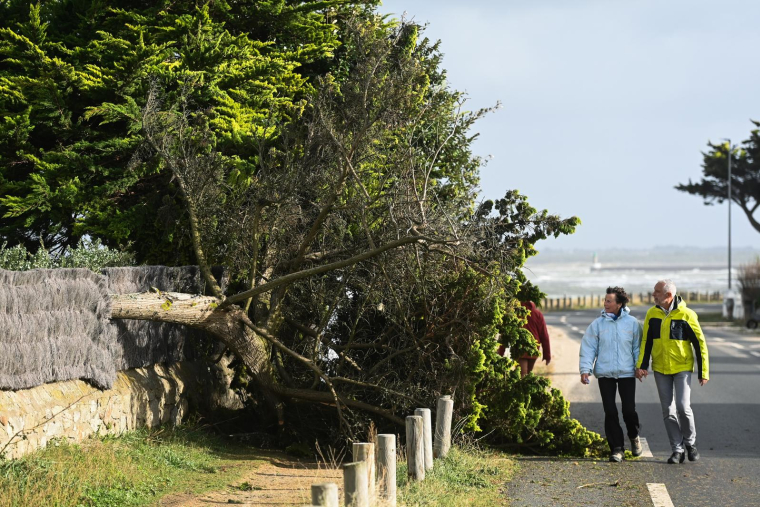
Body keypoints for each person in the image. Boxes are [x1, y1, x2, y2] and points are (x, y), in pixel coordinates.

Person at [636, 279, 709, 464]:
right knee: (668, 411)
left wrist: (703, 371)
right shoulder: (652, 314)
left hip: (682, 367)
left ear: (668, 295)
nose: (653, 295)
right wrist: (642, 365)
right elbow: (647, 341)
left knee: (683, 408)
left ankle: (690, 444)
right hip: (660, 368)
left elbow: (699, 344)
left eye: (657, 292)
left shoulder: (687, 315)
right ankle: (677, 449)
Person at [579, 287, 643, 462]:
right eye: (605, 300)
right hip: (605, 373)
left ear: (619, 303)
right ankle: (617, 448)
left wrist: (640, 366)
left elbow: (637, 348)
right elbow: (588, 348)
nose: (605, 303)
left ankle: (634, 435)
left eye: (609, 301)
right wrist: (585, 370)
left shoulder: (632, 323)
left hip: (627, 373)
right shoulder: (597, 325)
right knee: (610, 411)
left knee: (629, 411)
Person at [517, 301, 551, 377]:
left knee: (522, 373)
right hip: (534, 348)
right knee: (527, 373)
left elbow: (506, 334)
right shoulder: (537, 314)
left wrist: (500, 352)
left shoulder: (516, 313)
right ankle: (525, 387)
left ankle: (522, 387)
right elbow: (544, 335)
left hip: (519, 347)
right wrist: (547, 355)